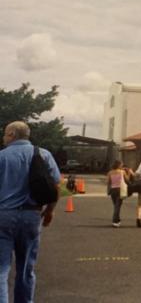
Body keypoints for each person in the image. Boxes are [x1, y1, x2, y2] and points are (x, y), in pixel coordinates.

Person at [0, 121, 61, 302]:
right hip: (32, 215)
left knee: (2, 269)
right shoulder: (43, 154)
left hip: (4, 215)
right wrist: (50, 211)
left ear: (12, 134)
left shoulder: (2, 157)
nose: (3, 137)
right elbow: (56, 185)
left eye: (5, 134)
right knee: (26, 268)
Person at [106, 160, 130, 228]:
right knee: (118, 206)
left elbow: (108, 182)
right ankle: (115, 221)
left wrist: (108, 190)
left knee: (116, 206)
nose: (122, 166)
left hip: (113, 190)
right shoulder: (122, 172)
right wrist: (129, 173)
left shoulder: (110, 172)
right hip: (120, 190)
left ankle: (118, 220)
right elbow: (127, 180)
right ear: (119, 165)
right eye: (121, 164)